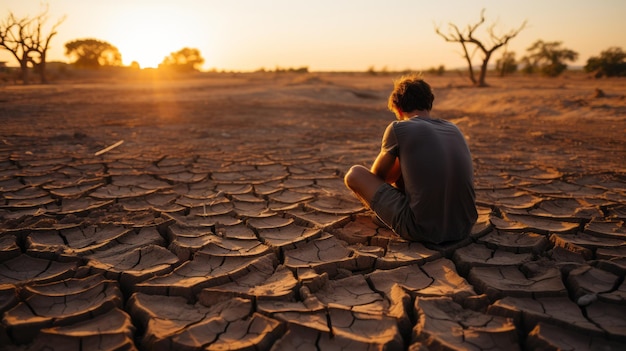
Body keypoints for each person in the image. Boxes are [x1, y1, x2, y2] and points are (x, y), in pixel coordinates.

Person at [344, 74, 477, 244]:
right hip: (464, 227)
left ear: (398, 108)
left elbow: (378, 177)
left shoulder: (399, 128)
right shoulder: (453, 128)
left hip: (421, 230)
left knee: (354, 174)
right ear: (430, 102)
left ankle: (387, 218)